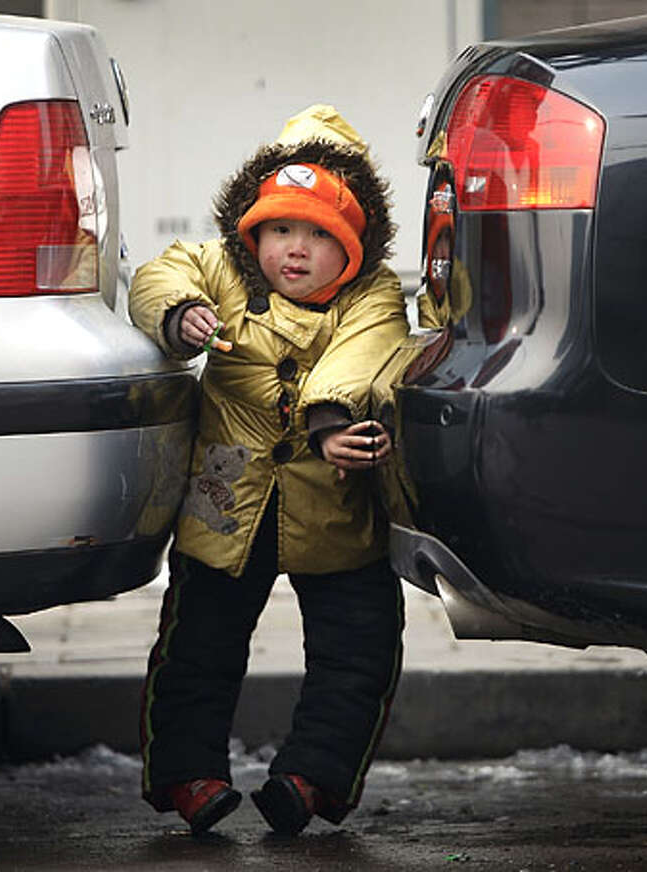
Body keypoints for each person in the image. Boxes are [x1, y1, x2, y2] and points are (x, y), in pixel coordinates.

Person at [128, 104, 408, 837]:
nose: (296, 249)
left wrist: (329, 422)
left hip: (334, 499)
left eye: (322, 235)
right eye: (282, 227)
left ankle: (311, 779)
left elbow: (365, 350)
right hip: (229, 500)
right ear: (251, 228)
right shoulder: (218, 268)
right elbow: (158, 275)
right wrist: (181, 312)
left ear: (357, 246)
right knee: (198, 647)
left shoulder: (371, 294)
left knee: (358, 648)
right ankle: (190, 776)